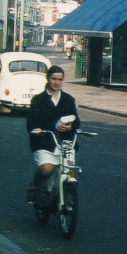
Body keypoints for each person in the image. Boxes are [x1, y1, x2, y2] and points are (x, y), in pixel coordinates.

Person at [25, 65, 80, 202]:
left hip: (64, 142)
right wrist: (36, 130)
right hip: (45, 141)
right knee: (47, 169)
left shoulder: (68, 99)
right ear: (48, 79)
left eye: (60, 79)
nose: (56, 82)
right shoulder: (38, 100)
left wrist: (70, 127)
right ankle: (35, 184)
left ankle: (66, 201)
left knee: (70, 171)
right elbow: (31, 121)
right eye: (53, 79)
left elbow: (76, 121)